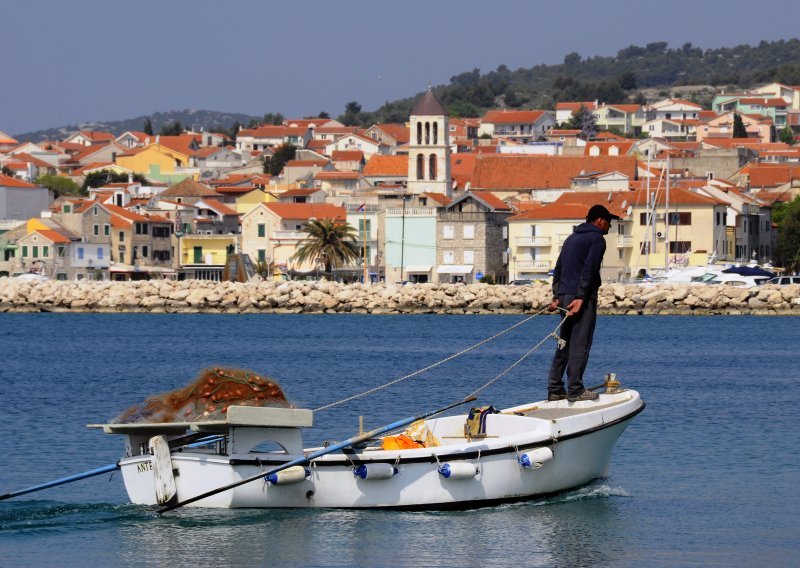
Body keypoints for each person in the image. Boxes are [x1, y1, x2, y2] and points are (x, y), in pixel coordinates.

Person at [547, 204, 619, 402]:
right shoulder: (596, 239)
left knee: (564, 343)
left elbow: (558, 268)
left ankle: (555, 388)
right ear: (600, 221)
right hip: (581, 298)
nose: (609, 227)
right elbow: (589, 269)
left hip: (564, 295)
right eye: (609, 223)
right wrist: (581, 297)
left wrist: (556, 296)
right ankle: (575, 389)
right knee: (580, 343)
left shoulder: (571, 238)